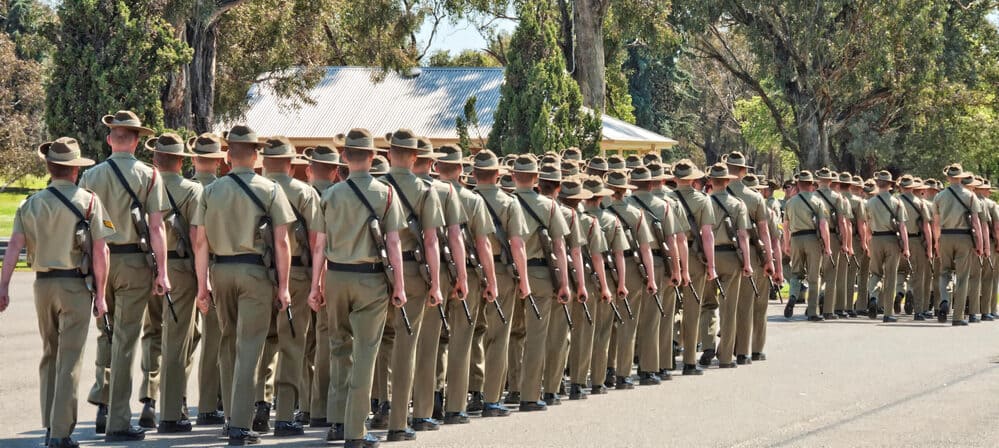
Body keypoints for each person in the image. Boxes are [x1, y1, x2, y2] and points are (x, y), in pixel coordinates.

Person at [1, 137, 115, 448]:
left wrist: (4, 286)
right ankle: (61, 433)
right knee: (70, 359)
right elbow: (101, 251)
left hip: (42, 285)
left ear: (50, 168)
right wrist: (101, 294)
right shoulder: (89, 202)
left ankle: (50, 425)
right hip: (75, 285)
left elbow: (14, 247)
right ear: (75, 170)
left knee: (49, 354)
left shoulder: (30, 203)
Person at [191, 125, 296, 445]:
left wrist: (202, 287)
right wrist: (284, 286)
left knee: (228, 343)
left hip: (220, 270)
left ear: (227, 156)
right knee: (250, 346)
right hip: (254, 273)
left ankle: (229, 418)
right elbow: (282, 242)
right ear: (255, 155)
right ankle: (239, 424)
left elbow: (200, 242)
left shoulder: (211, 191)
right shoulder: (270, 189)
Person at [306, 128, 407, 448]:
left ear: (344, 157)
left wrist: (315, 285)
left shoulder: (330, 195)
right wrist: (400, 285)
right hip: (370, 279)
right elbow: (394, 244)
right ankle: (355, 430)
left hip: (336, 277)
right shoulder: (386, 194)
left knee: (338, 348)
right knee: (365, 353)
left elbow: (319, 246)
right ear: (373, 157)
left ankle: (337, 421)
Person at [80, 111, 170, 442]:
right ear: (135, 142)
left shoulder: (90, 176)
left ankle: (103, 405)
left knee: (106, 334)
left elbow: (83, 225)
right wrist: (163, 272)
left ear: (109, 140)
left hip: (101, 260)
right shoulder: (149, 175)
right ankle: (118, 419)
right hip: (134, 262)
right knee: (126, 341)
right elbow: (156, 227)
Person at [380, 129, 445, 441]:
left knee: (376, 343)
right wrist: (436, 283)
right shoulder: (425, 191)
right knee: (408, 346)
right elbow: (431, 240)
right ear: (416, 157)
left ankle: (373, 409)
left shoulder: (377, 187)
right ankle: (402, 420)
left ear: (388, 154)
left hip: (376, 270)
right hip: (412, 270)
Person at [258, 136, 322, 436]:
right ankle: (284, 414)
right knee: (293, 343)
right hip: (296, 273)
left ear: (264, 162)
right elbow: (316, 242)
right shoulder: (304, 192)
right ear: (290, 163)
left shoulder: (254, 189)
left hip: (258, 271)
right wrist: (317, 282)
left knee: (259, 341)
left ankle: (258, 404)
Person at [433, 144, 498, 423]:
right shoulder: (472, 200)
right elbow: (483, 244)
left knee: (434, 339)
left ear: (437, 167)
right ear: (461, 169)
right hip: (467, 274)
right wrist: (491, 280)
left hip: (433, 271)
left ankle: (432, 396)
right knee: (462, 340)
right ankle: (455, 405)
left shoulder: (429, 192)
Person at [410, 137, 468, 428]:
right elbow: (454, 237)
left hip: (394, 271)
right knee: (430, 343)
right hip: (434, 271)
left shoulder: (387, 187)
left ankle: (387, 405)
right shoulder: (444, 190)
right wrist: (462, 277)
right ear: (432, 163)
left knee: (396, 342)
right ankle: (424, 409)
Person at [146, 133, 202, 434]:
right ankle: (170, 412)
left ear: (155, 159)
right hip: (179, 267)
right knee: (178, 340)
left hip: (145, 265)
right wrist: (203, 278)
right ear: (181, 161)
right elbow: (197, 237)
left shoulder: (143, 185)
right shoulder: (192, 190)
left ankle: (148, 398)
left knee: (151, 334)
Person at [471, 150, 530, 417]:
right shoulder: (509, 203)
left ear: (474, 174)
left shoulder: (465, 199)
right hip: (501, 271)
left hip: (471, 270)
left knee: (471, 333)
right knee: (499, 336)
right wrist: (524, 280)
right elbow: (517, 244)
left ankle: (472, 391)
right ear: (497, 174)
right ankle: (492, 398)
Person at [510, 155, 571, 411]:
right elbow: (559, 246)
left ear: (513, 176)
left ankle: (505, 390)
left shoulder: (506, 202)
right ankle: (529, 395)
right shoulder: (549, 206)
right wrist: (564, 282)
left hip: (506, 273)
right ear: (536, 178)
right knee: (536, 338)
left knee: (507, 335)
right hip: (539, 274)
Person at [300, 144, 345, 428]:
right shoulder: (339, 197)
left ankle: (305, 405)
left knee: (301, 342)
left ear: (309, 169)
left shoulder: (298, 194)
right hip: (329, 275)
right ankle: (323, 405)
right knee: (327, 341)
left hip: (294, 274)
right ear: (336, 171)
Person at [537, 165, 587, 405]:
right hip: (557, 275)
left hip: (526, 275)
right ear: (559, 187)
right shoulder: (568, 214)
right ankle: (551, 388)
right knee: (558, 336)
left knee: (528, 336)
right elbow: (574, 252)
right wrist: (578, 284)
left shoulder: (521, 205)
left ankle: (523, 388)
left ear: (539, 185)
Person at [560, 177, 613, 398]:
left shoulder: (554, 214)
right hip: (584, 280)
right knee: (584, 333)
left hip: (557, 277)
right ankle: (578, 382)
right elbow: (597, 257)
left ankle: (556, 381)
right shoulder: (590, 222)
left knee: (559, 333)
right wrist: (604, 286)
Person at [187, 133, 227, 426]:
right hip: (213, 265)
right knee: (216, 339)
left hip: (177, 267)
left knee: (179, 341)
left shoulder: (184, 188)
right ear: (218, 161)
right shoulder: (221, 190)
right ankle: (211, 404)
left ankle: (174, 402)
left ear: (193, 158)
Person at [722, 153, 775, 364]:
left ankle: (724, 348)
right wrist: (769, 259)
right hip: (751, 252)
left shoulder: (713, 196)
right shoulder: (755, 198)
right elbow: (764, 231)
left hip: (720, 252)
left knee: (726, 305)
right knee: (749, 303)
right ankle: (747, 351)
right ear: (744, 171)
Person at [702, 164, 752, 368]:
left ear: (710, 181)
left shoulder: (703, 202)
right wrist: (747, 262)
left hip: (707, 256)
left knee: (707, 304)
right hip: (731, 256)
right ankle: (725, 356)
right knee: (729, 308)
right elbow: (743, 235)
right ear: (728, 180)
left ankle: (707, 345)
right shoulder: (738, 204)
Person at [671, 160, 717, 375]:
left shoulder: (666, 199)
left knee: (669, 307)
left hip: (669, 254)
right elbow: (707, 235)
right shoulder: (702, 200)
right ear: (693, 178)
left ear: (675, 177)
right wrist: (711, 265)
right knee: (692, 309)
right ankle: (689, 360)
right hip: (693, 255)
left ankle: (665, 357)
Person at [782, 171, 831, 321]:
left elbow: (785, 226)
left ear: (798, 184)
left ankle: (793, 296)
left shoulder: (790, 202)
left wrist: (786, 244)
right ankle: (812, 311)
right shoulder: (818, 201)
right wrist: (827, 246)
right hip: (812, 239)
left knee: (796, 273)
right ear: (811, 184)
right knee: (814, 276)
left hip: (796, 238)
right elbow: (823, 225)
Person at [863, 171, 910, 323]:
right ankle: (888, 313)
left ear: (877, 184)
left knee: (875, 273)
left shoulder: (869, 203)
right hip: (891, 239)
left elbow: (867, 226)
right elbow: (902, 226)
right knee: (891, 276)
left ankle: (873, 296)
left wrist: (868, 243)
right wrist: (906, 247)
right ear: (890, 185)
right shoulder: (897, 203)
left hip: (875, 239)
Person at [813, 168, 853, 320]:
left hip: (814, 236)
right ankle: (828, 309)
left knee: (815, 273)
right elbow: (843, 222)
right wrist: (845, 243)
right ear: (830, 181)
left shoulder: (812, 196)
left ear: (818, 180)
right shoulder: (837, 198)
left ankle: (812, 307)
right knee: (831, 274)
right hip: (832, 235)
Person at [895, 176, 933, 320]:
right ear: (913, 187)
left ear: (900, 187)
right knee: (918, 276)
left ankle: (896, 296)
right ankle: (919, 310)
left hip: (896, 240)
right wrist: (930, 248)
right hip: (916, 241)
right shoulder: (920, 203)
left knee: (897, 272)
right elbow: (926, 227)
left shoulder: (894, 201)